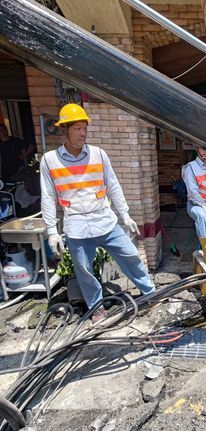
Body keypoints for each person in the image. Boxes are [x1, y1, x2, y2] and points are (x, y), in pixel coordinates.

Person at [40, 103, 155, 323]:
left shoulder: (98, 155)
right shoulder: (50, 160)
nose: (83, 133)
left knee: (130, 255)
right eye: (77, 128)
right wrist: (52, 231)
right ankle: (96, 308)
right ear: (64, 130)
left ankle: (150, 293)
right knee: (84, 270)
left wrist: (125, 215)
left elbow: (113, 185)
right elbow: (47, 196)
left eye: (85, 128)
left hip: (105, 220)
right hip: (76, 226)